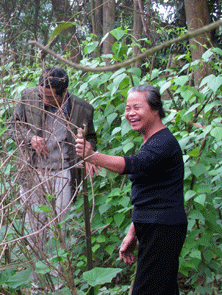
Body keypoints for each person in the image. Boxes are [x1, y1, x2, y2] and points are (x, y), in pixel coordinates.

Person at [75, 85, 187, 294]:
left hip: (163, 229)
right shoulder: (151, 141)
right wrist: (132, 232)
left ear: (155, 109)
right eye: (127, 108)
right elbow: (151, 193)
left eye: (137, 107)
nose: (130, 113)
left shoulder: (163, 143)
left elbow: (132, 165)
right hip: (154, 227)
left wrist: (92, 156)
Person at [9, 67, 98, 289]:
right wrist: (30, 138)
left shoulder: (82, 109)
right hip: (33, 171)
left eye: (50, 97)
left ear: (64, 91)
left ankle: (58, 286)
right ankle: (37, 287)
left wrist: (89, 151)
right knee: (33, 233)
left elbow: (91, 137)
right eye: (42, 94)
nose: (45, 99)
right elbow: (14, 127)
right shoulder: (28, 98)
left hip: (63, 172)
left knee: (59, 232)